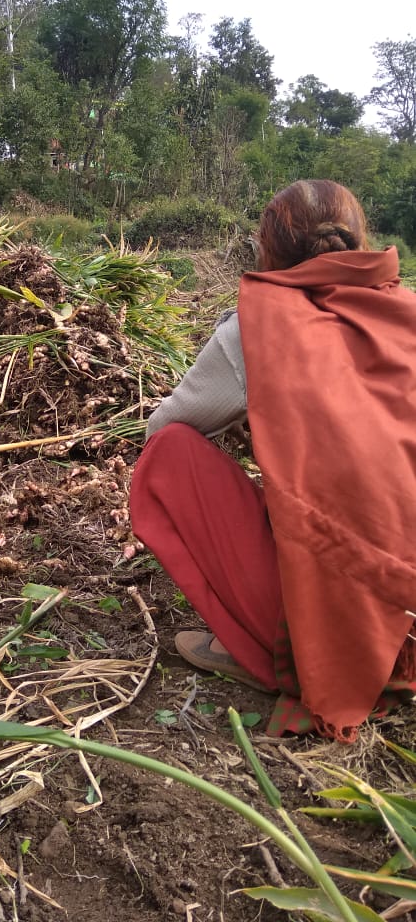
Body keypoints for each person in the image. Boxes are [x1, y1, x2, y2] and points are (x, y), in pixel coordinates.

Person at [130, 180, 416, 741]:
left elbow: (163, 427)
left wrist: (249, 416)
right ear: (360, 239)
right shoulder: (407, 310)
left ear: (269, 249)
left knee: (168, 456)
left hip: (355, 622)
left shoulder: (256, 327)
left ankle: (272, 652)